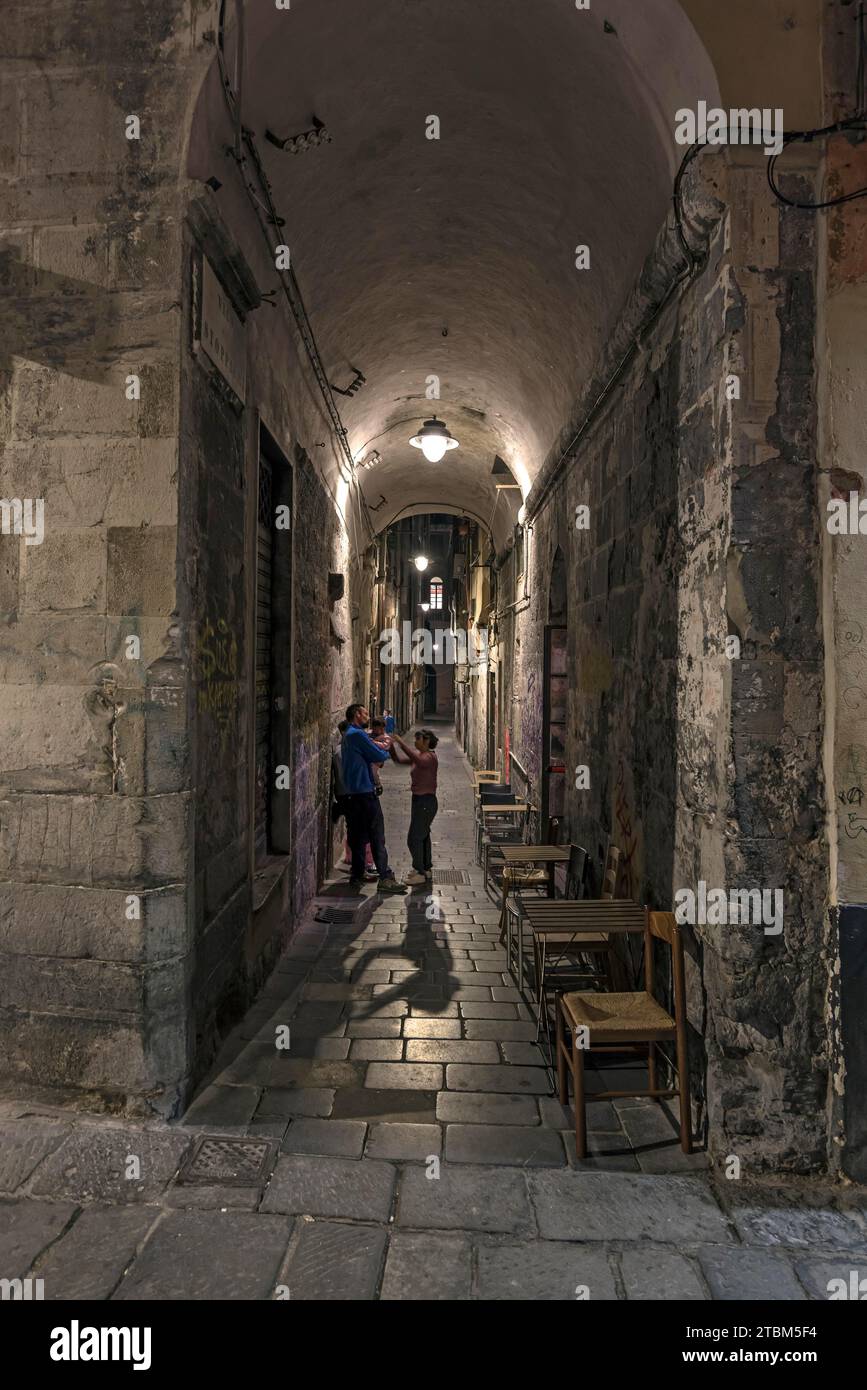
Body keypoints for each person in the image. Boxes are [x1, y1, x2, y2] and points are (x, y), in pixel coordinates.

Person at [342, 703, 407, 894]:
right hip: (364, 792)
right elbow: (377, 754)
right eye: (364, 713)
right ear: (356, 715)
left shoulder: (348, 734)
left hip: (352, 793)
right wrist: (386, 750)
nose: (367, 716)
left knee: (357, 835)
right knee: (376, 834)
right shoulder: (358, 734)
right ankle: (385, 878)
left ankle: (357, 875)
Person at [390, 728, 439, 885]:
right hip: (418, 801)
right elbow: (398, 760)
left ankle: (419, 872)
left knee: (414, 838)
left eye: (418, 739)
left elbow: (417, 761)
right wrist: (390, 746)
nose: (415, 742)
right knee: (423, 835)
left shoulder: (430, 757)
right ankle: (426, 869)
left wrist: (400, 742)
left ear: (426, 741)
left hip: (426, 802)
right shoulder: (419, 756)